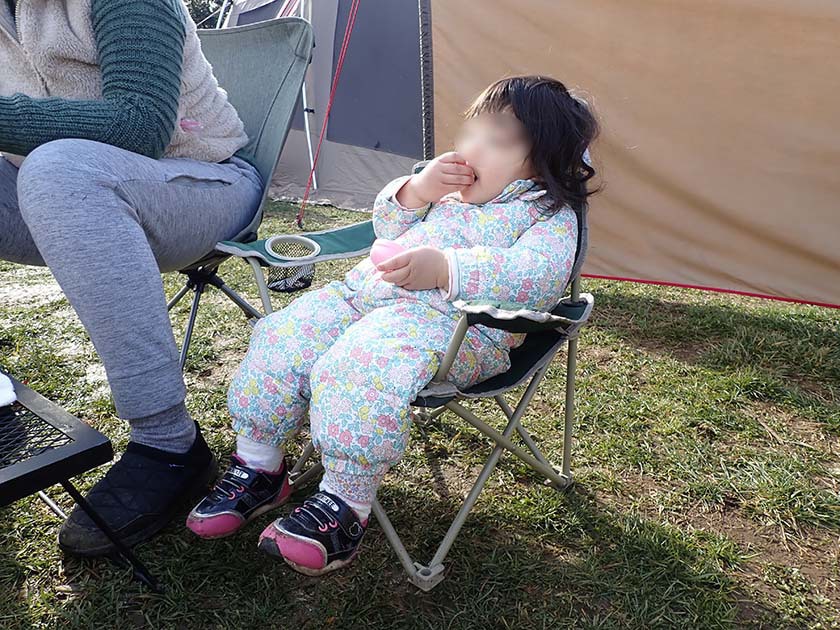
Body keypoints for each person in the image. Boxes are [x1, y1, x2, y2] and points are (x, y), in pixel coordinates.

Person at [187, 75, 600, 576]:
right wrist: (414, 191)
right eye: (470, 133)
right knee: (281, 338)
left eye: (498, 141)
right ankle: (259, 464)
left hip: (455, 329)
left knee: (358, 366)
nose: (472, 149)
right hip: (363, 299)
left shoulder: (549, 214)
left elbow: (535, 278)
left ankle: (343, 504)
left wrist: (447, 268)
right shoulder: (446, 194)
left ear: (545, 164)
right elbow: (389, 228)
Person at [0, 0, 263, 555]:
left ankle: (169, 445)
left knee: (58, 170)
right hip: (62, 190)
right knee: (56, 171)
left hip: (201, 179)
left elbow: (138, 124)